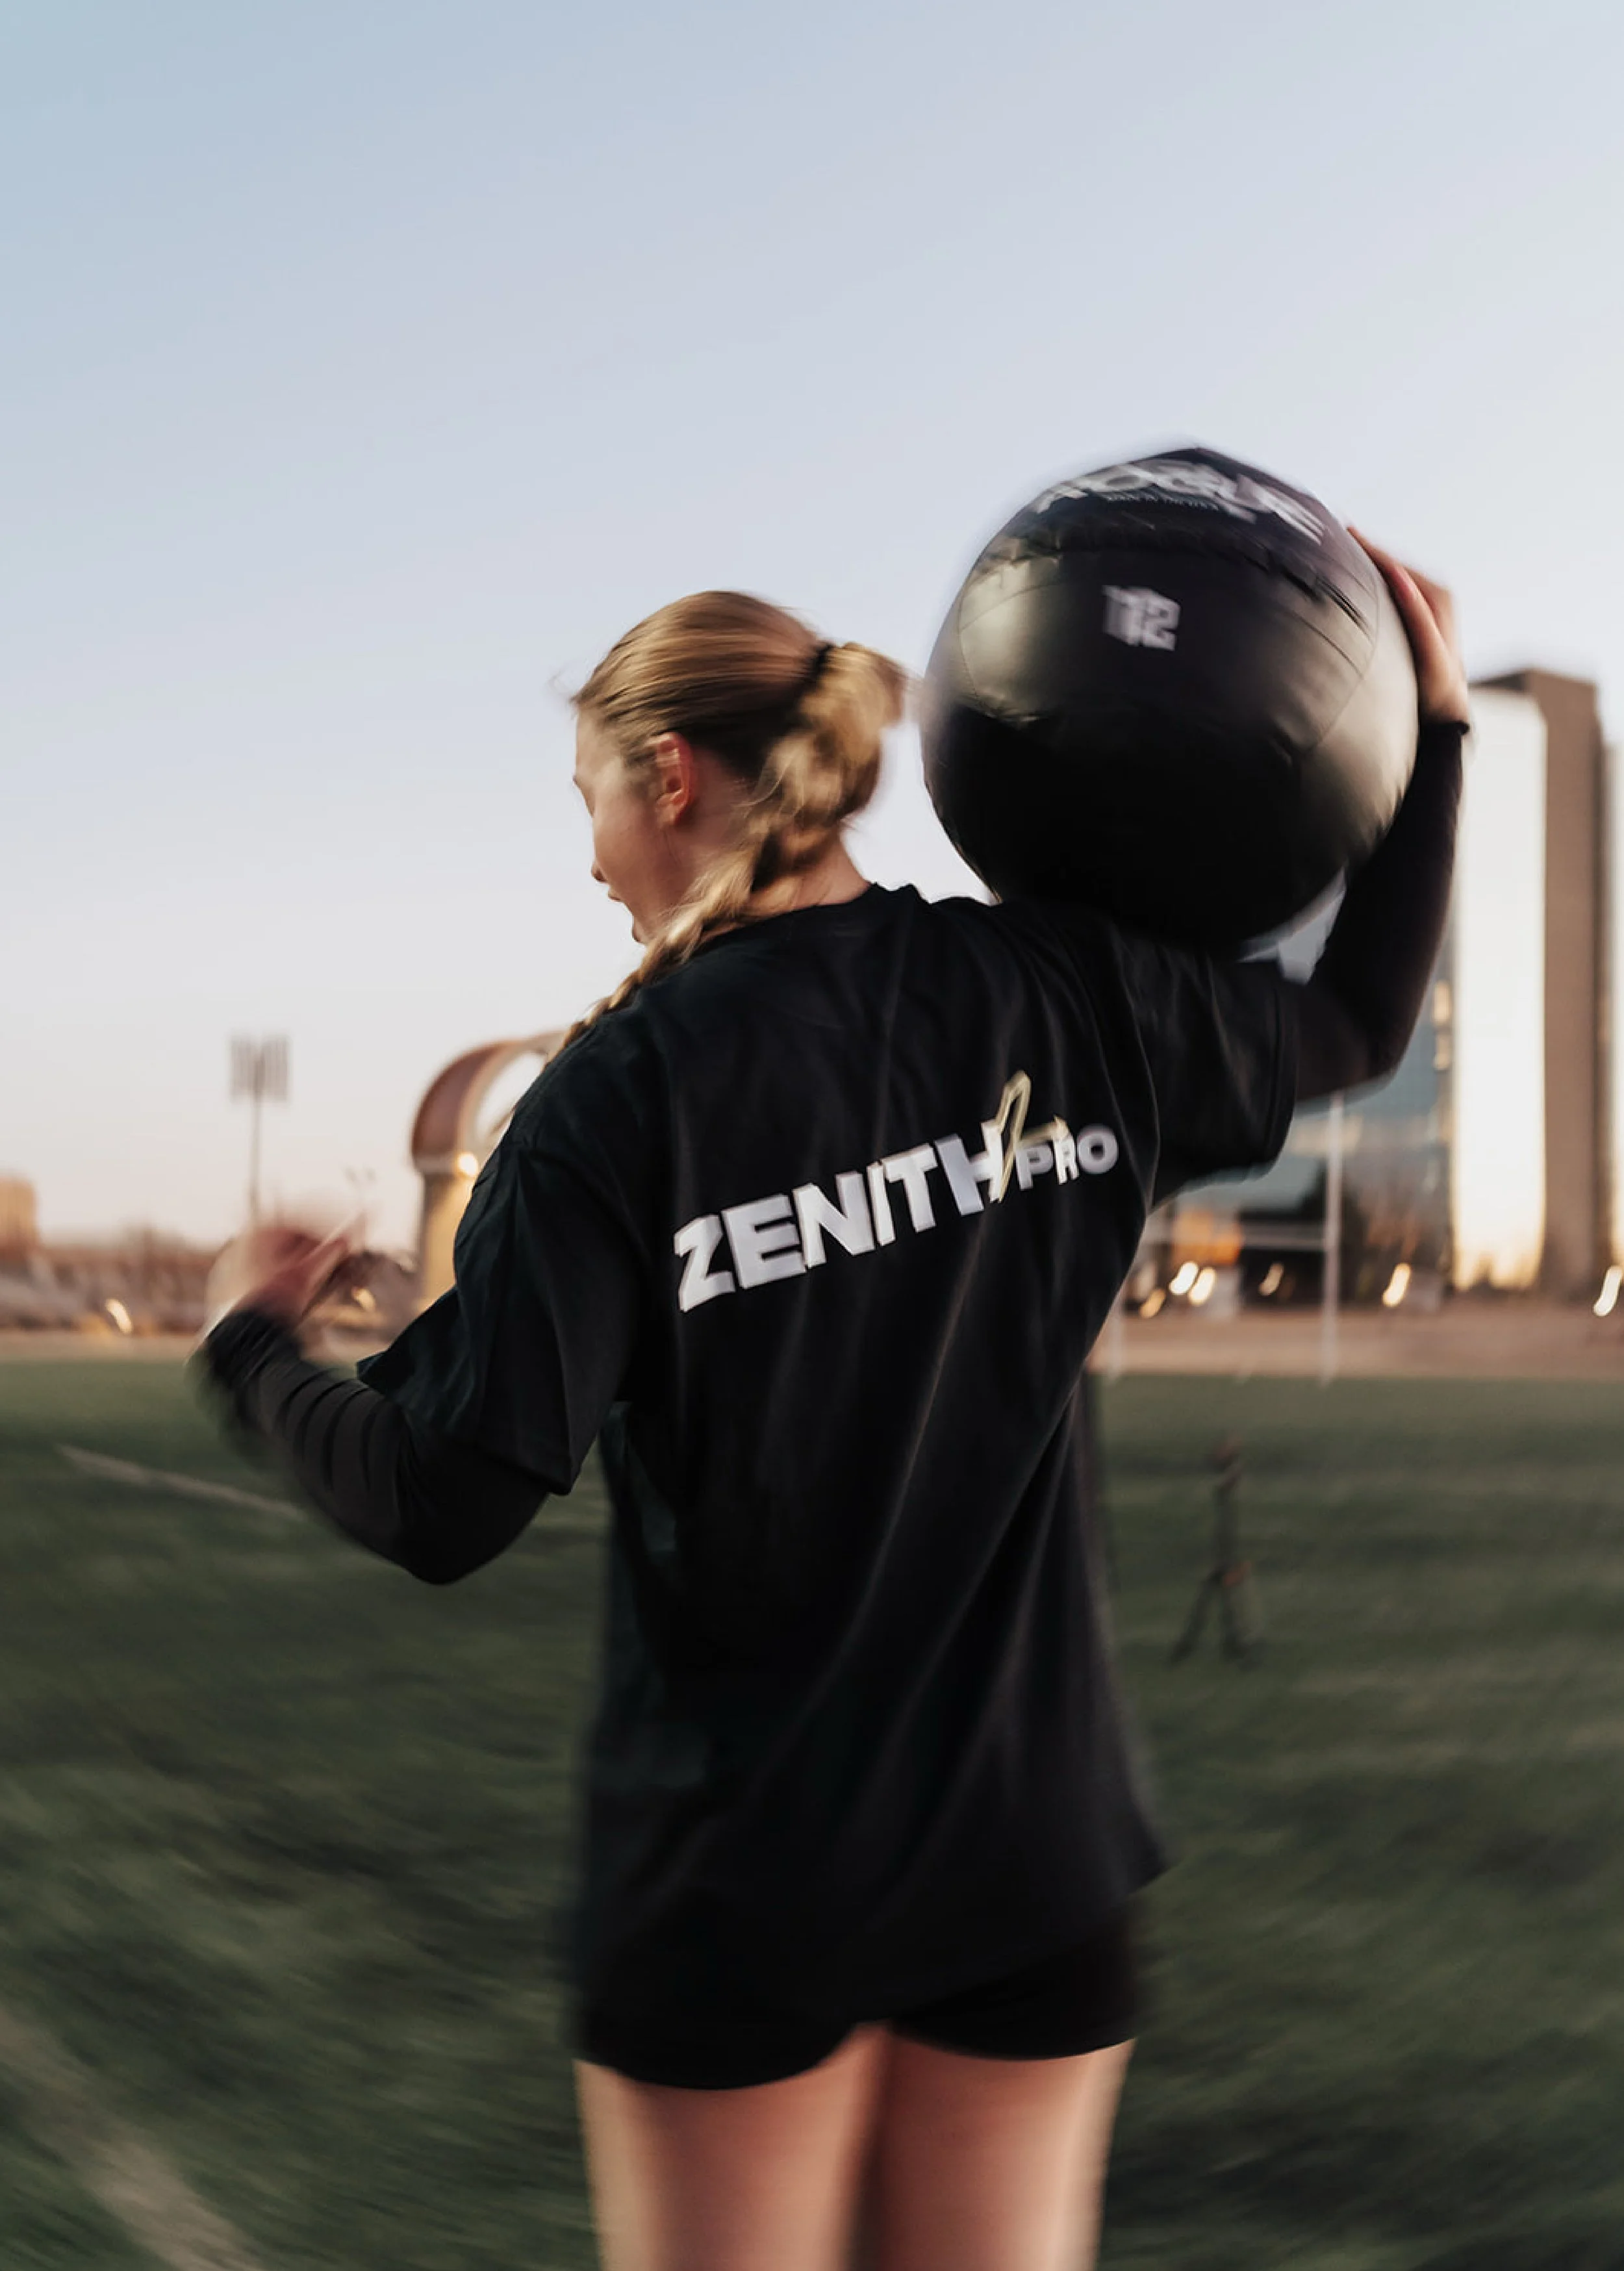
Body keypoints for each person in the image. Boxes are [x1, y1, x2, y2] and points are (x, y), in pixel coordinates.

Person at [201, 544, 1469, 2271]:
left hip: (744, 1889)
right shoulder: (1058, 990)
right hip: (1030, 1861)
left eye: (586, 799)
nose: (588, 854)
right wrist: (1434, 735)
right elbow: (1358, 1017)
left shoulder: (614, 1097)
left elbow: (438, 1497)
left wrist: (251, 1346)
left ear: (668, 777)